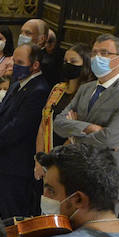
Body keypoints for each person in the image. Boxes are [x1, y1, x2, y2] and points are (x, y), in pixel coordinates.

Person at [54, 33, 119, 214]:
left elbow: (110, 138)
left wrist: (75, 132)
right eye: (94, 53)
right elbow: (59, 123)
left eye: (104, 53)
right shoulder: (85, 88)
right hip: (79, 176)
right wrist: (89, 127)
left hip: (107, 180)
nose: (97, 58)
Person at [0, 42, 53, 220]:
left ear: (35, 65)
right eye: (14, 60)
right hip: (2, 160)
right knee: (5, 215)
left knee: (16, 218)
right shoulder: (16, 84)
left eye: (19, 62)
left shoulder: (39, 89)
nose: (14, 65)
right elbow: (0, 116)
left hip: (19, 166)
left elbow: (19, 126)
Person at [34, 43, 94, 180]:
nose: (68, 64)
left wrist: (53, 161)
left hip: (68, 161)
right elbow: (43, 124)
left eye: (73, 62)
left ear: (85, 65)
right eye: (65, 61)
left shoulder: (87, 95)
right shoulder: (58, 89)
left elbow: (77, 133)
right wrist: (40, 159)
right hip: (46, 160)